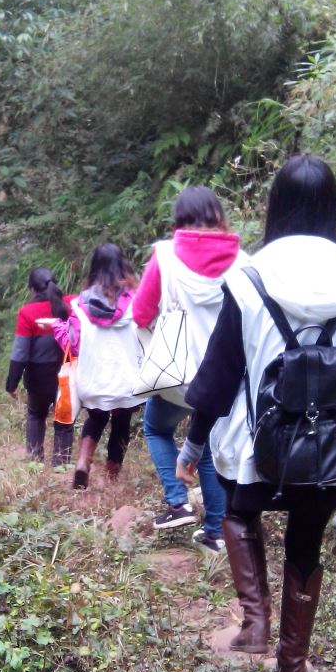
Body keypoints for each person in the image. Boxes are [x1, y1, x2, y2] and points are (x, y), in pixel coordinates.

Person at [176, 155, 336, 672]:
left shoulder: (247, 280)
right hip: (334, 449)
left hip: (258, 445)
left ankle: (255, 622)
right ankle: (292, 662)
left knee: (239, 509)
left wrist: (192, 446)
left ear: (275, 206)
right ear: (332, 208)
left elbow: (219, 373)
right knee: (307, 539)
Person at [132, 186, 247, 552]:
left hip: (176, 374)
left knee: (155, 428)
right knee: (209, 447)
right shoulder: (244, 263)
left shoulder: (165, 257)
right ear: (219, 216)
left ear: (179, 219)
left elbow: (140, 313)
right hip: (224, 379)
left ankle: (177, 501)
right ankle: (215, 534)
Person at [54, 243, 142, 489]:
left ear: (94, 268)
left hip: (93, 379)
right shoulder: (136, 302)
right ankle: (111, 477)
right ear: (122, 266)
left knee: (96, 418)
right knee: (121, 423)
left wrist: (57, 327)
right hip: (126, 379)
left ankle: (83, 462)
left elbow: (73, 345)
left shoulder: (79, 305)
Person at [5, 267, 75, 465]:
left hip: (38, 377)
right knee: (64, 420)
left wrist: (11, 384)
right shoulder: (71, 303)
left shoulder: (27, 312)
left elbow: (20, 353)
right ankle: (61, 465)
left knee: (36, 415)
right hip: (67, 373)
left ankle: (35, 462)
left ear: (32, 289)